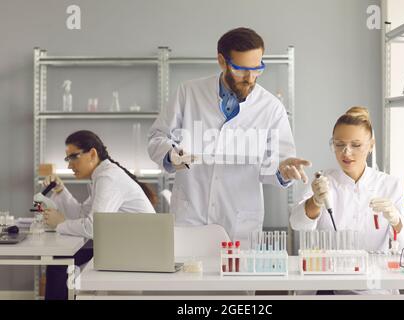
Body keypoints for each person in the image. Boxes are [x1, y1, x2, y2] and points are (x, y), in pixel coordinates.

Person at [148, 27, 311, 243]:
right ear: (222, 61)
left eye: (257, 69)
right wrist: (170, 155)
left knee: (235, 273)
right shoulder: (189, 93)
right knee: (186, 273)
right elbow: (157, 138)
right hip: (190, 215)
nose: (251, 78)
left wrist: (283, 171)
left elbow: (276, 164)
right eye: (241, 69)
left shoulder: (271, 108)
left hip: (239, 224)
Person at [290, 106, 404, 294]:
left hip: (374, 288)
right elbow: (297, 224)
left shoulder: (389, 185)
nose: (346, 153)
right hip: (327, 286)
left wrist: (396, 220)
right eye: (339, 144)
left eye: (356, 145)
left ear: (371, 145)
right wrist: (315, 202)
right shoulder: (323, 181)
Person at [43, 130, 157, 299]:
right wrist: (60, 191)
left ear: (92, 154)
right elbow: (83, 213)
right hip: (122, 246)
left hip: (136, 252)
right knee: (59, 260)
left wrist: (60, 224)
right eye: (68, 159)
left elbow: (93, 228)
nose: (69, 165)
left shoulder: (107, 177)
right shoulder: (101, 175)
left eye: (74, 157)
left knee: (59, 263)